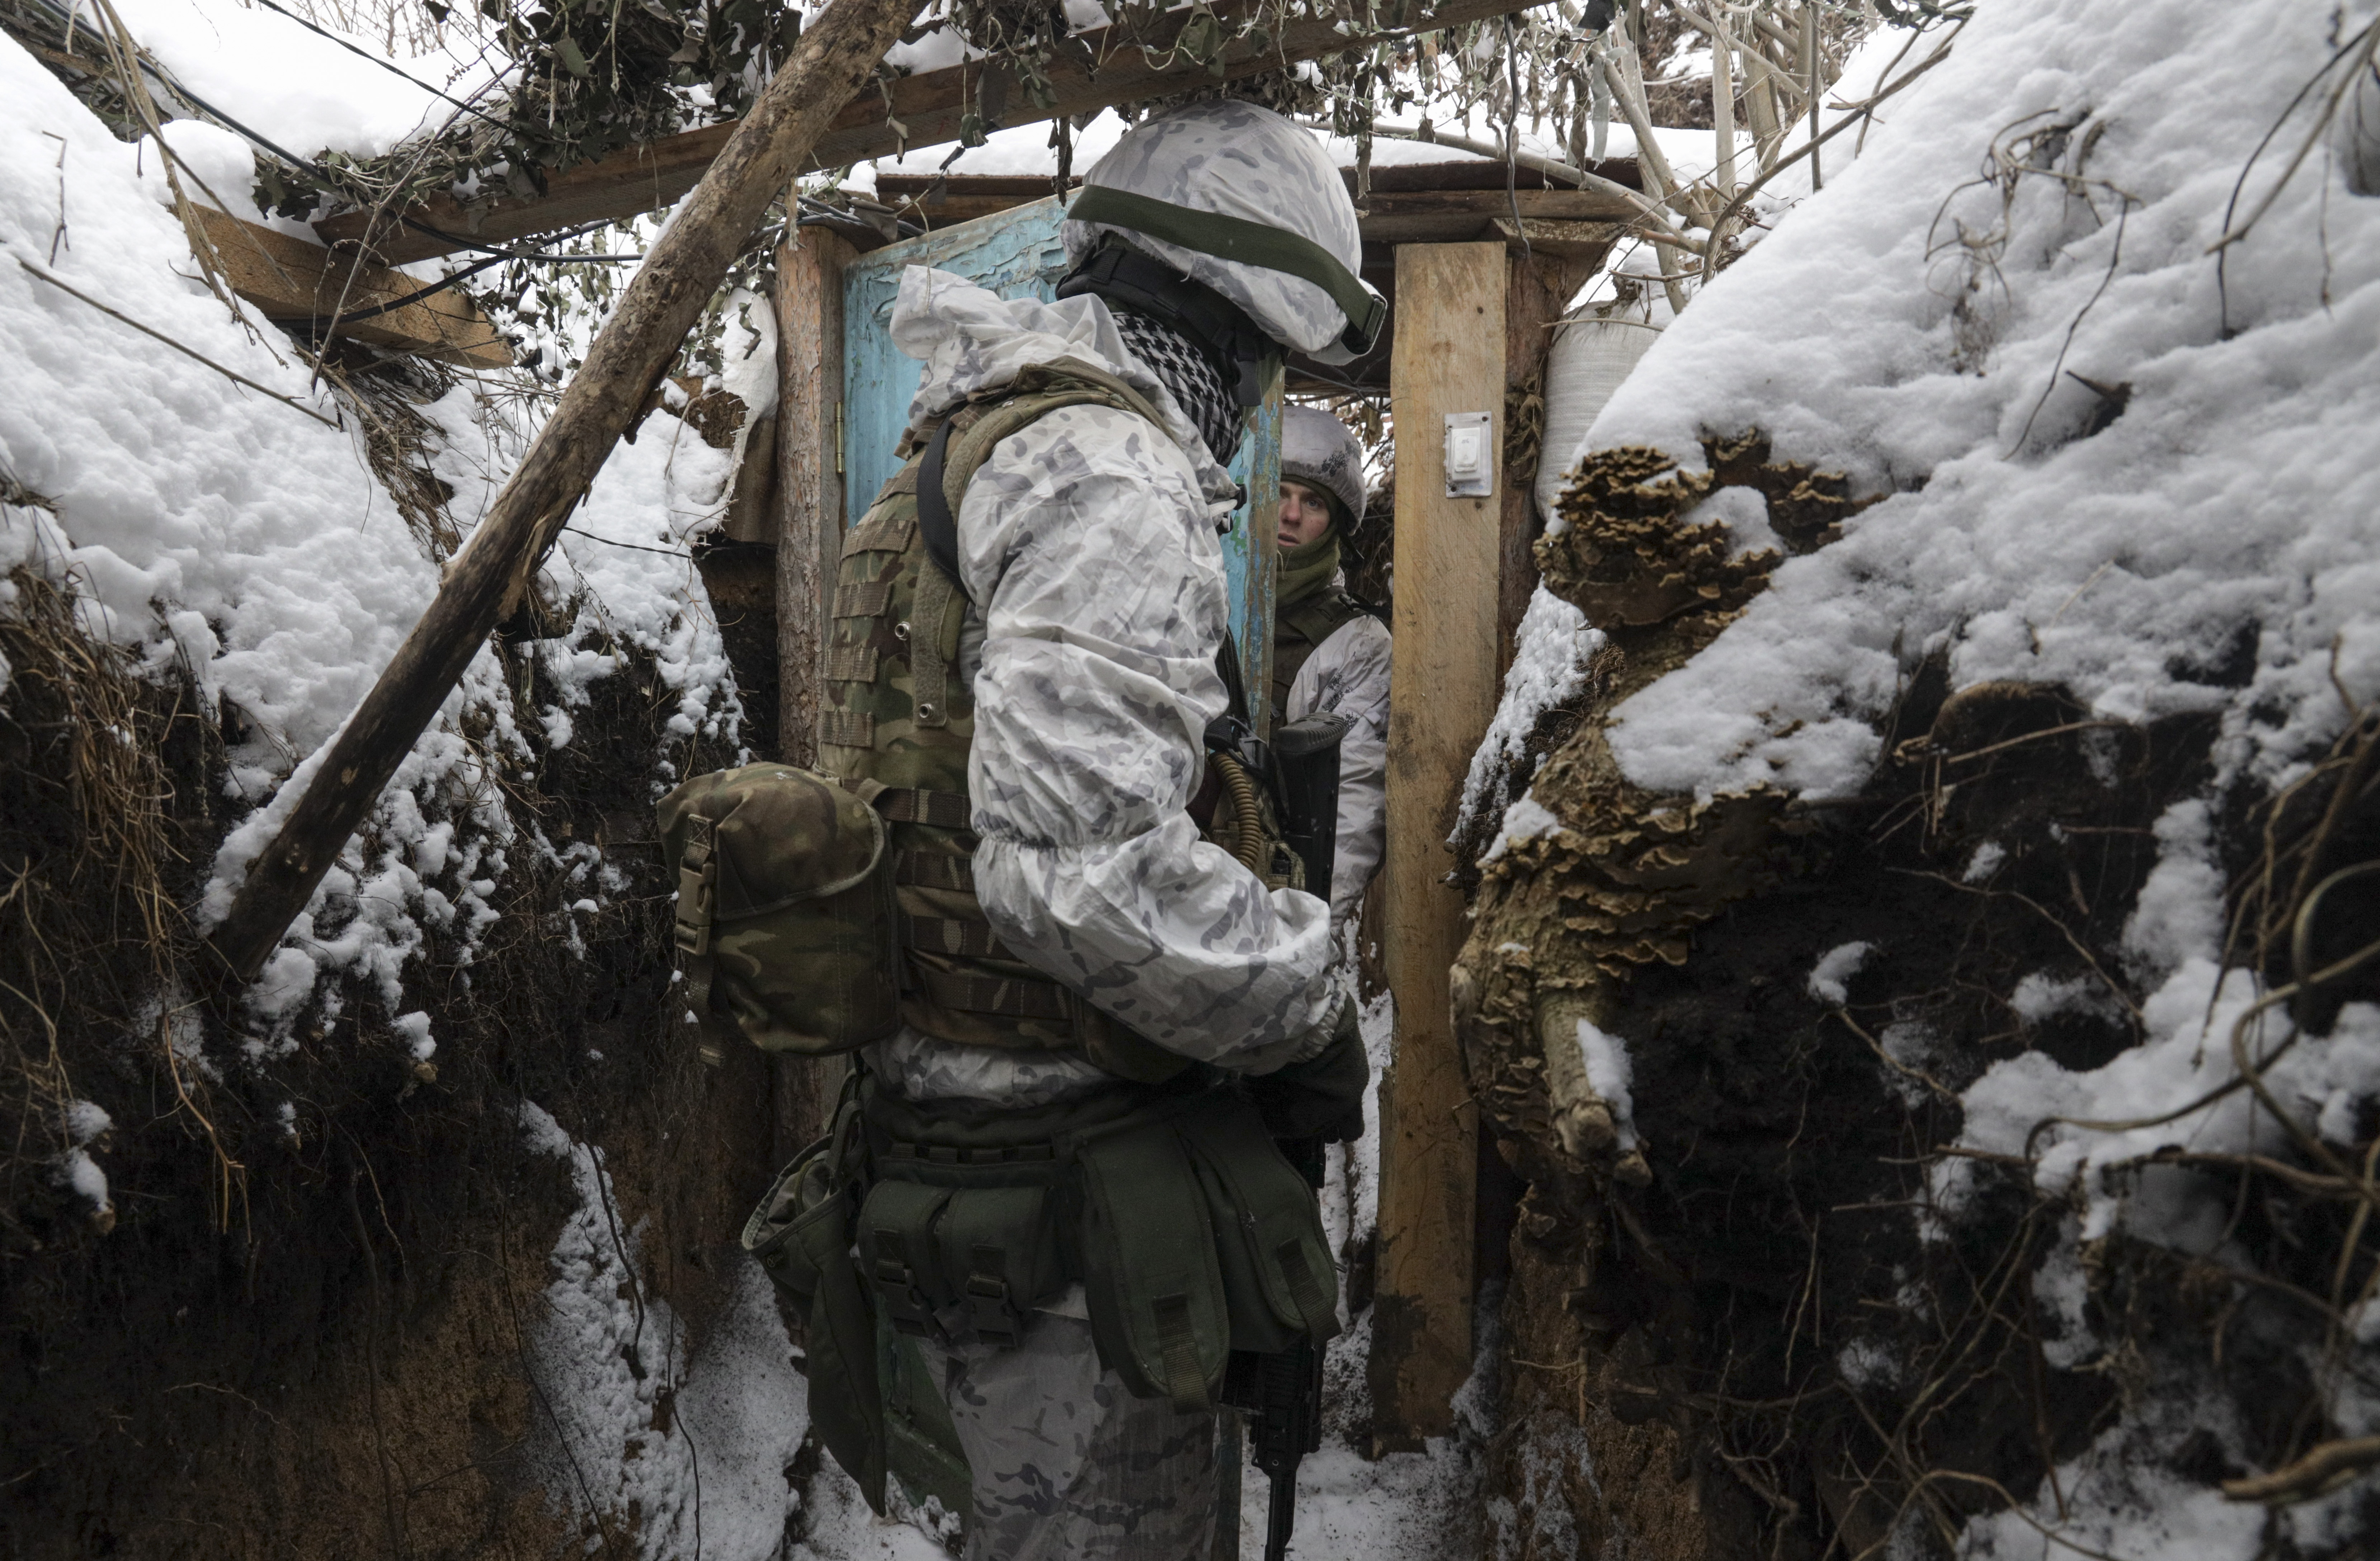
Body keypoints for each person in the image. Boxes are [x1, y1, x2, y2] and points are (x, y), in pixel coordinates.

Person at [812, 98, 1385, 1560]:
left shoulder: (962, 435)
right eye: (1269, 362)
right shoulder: (1102, 471)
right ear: (1242, 323)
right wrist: (1306, 989)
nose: (1261, 397)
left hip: (952, 1157)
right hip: (1059, 1205)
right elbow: (1079, 873)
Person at [1272, 406, 1391, 930]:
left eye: (1313, 501)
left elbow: (1349, 815)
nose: (1290, 515)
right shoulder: (1196, 592)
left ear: (1335, 525)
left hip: (1268, 897)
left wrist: (1304, 938)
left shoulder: (1356, 644)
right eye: (1278, 491)